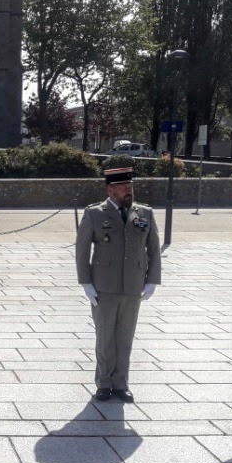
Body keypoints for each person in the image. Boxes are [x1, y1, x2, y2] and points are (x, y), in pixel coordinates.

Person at [75, 167, 161, 403]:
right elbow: (82, 249)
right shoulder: (94, 213)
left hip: (133, 285)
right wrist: (86, 282)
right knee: (105, 338)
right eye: (123, 187)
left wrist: (152, 280)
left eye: (130, 186)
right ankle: (104, 383)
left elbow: (154, 248)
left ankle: (121, 383)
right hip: (103, 286)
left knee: (125, 337)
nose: (128, 191)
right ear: (110, 190)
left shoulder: (144, 212)